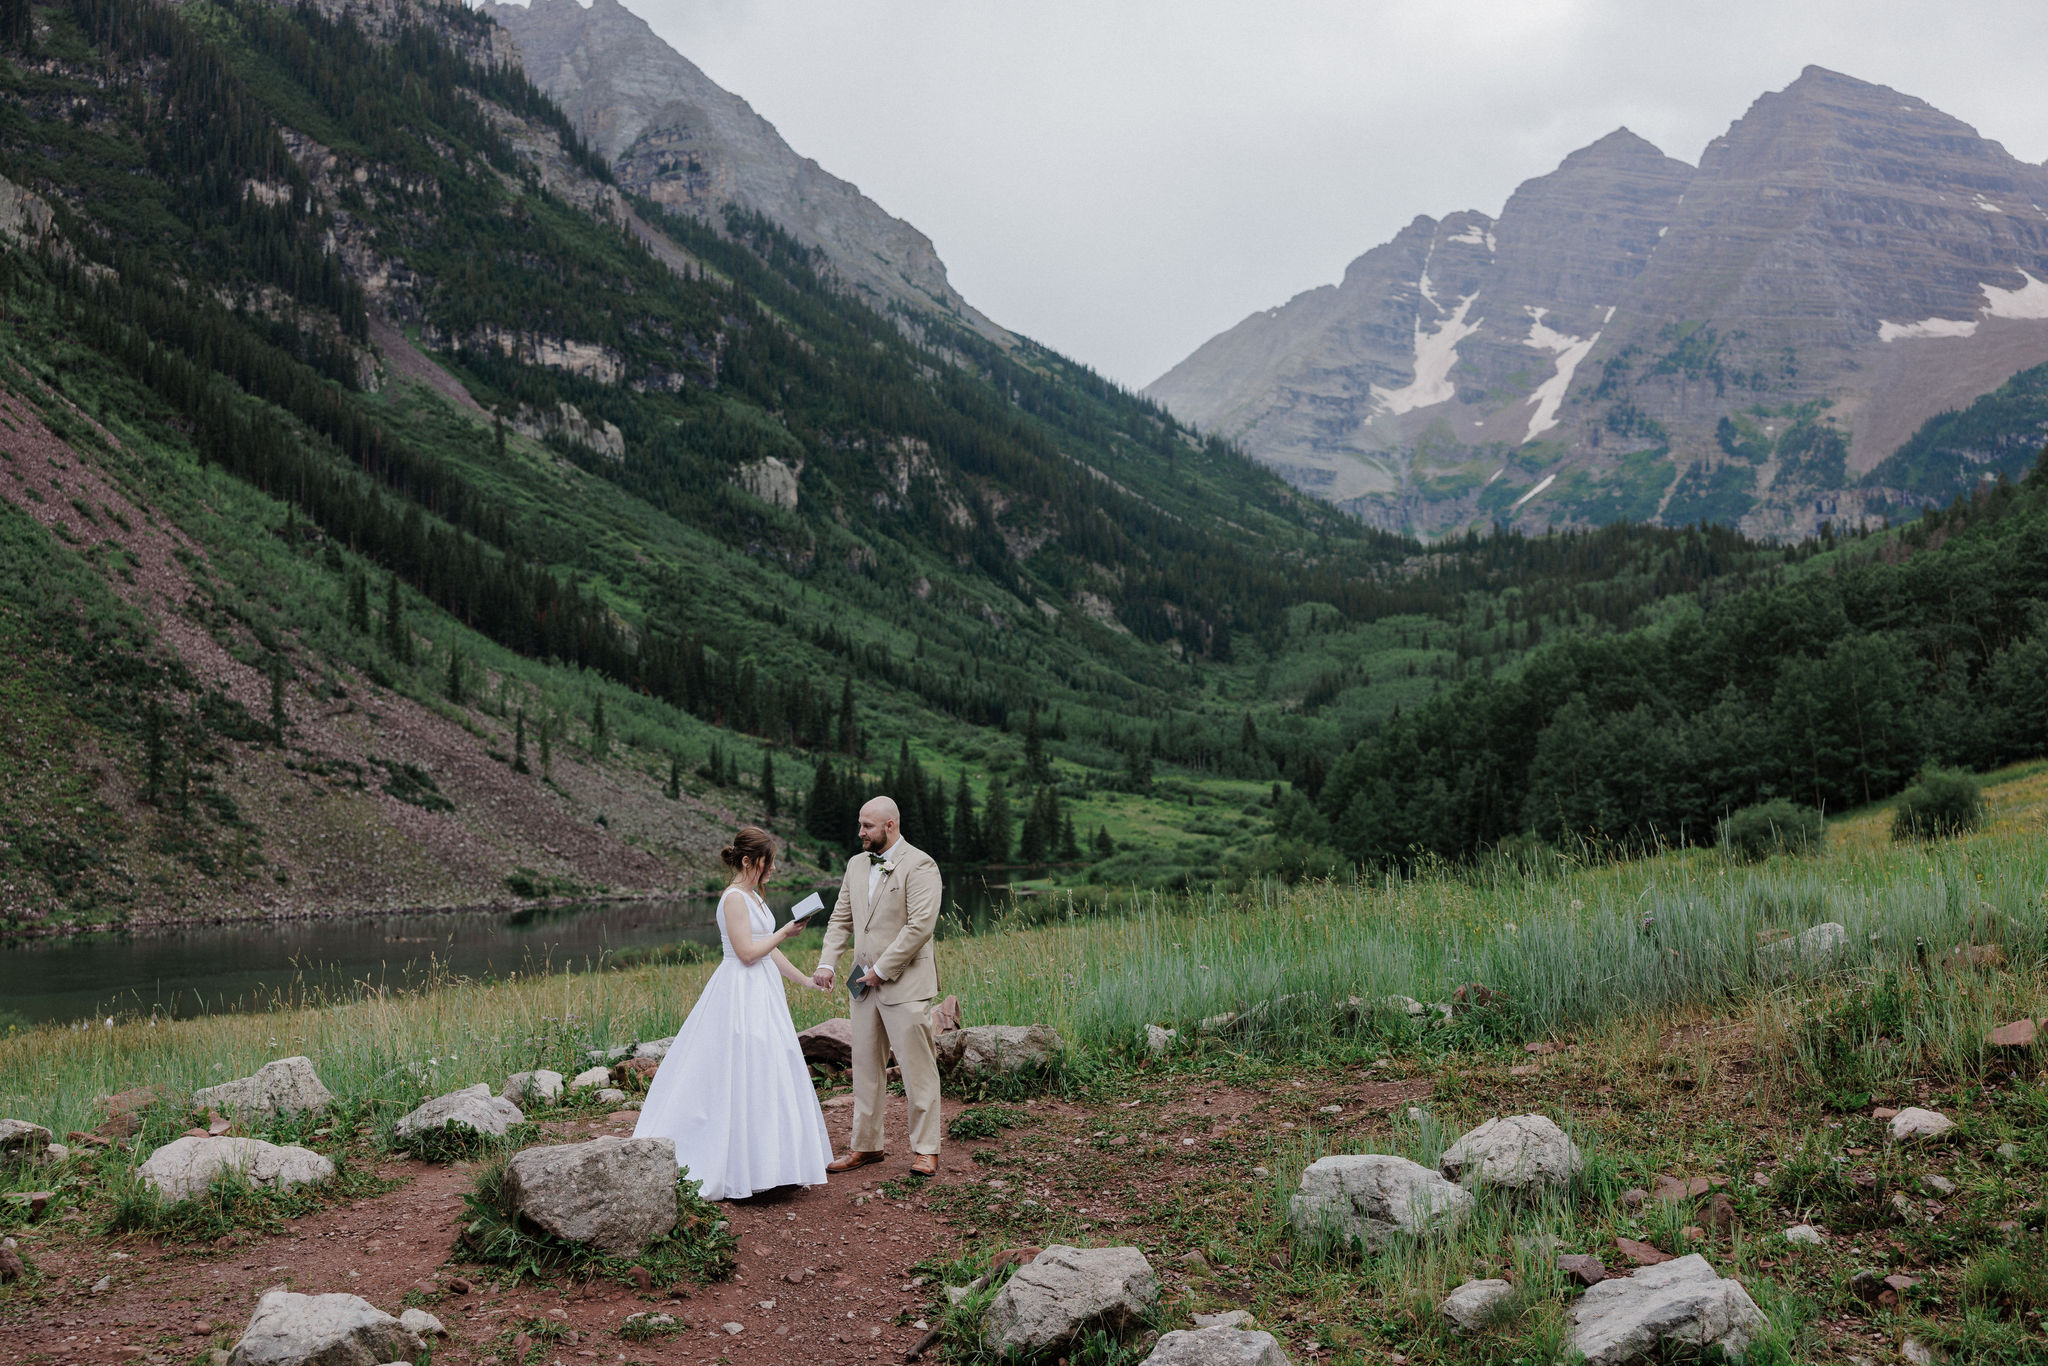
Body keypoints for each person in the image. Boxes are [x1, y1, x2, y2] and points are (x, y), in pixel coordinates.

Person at [634, 825, 831, 1200]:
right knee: (741, 1067)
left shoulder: (755, 897)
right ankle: (737, 1166)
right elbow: (747, 952)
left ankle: (776, 1165)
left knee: (772, 1065)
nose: (772, 869)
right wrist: (786, 931)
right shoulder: (733, 899)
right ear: (747, 861)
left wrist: (805, 980)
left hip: (764, 992)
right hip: (738, 990)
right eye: (767, 863)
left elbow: (769, 951)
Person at [810, 796, 944, 1177]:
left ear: (890, 825)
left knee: (917, 1069)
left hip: (904, 983)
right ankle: (866, 1146)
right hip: (862, 986)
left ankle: (926, 1149)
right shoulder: (856, 864)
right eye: (859, 824)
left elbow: (921, 926)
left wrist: (882, 969)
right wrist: (827, 962)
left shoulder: (920, 864)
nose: (860, 832)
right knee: (866, 1067)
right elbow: (841, 918)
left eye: (867, 826)